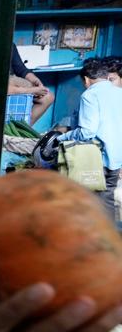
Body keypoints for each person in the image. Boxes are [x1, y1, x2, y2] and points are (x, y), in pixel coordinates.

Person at [55, 57, 122, 222]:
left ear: (86, 80)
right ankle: (108, 240)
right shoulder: (119, 92)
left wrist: (62, 137)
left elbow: (87, 133)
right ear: (106, 76)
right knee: (107, 201)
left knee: (83, 202)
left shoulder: (89, 95)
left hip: (95, 159)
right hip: (116, 159)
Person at [7, 43, 56, 125]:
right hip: (4, 85)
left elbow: (21, 69)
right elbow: (5, 88)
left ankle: (23, 130)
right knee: (10, 81)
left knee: (48, 97)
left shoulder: (10, 45)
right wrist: (32, 90)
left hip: (14, 82)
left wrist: (35, 81)